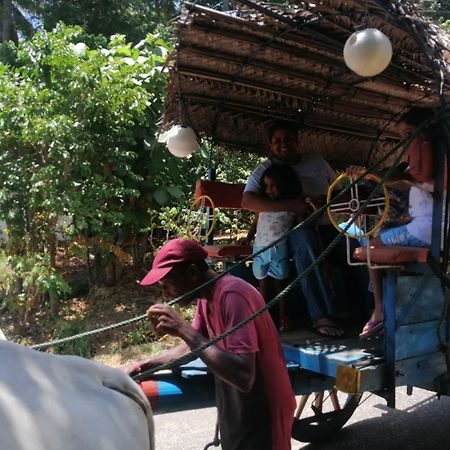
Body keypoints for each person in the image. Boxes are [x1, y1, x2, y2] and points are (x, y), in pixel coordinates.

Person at [123, 238, 296, 450]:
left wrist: (182, 328)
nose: (165, 293)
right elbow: (191, 347)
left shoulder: (233, 295)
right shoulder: (207, 297)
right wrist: (142, 365)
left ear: (193, 272)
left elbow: (244, 376)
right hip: (239, 407)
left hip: (264, 410)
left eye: (167, 283)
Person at [242, 120, 365, 337]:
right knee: (306, 242)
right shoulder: (265, 169)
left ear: (297, 142)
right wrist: (293, 205)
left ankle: (362, 311)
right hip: (288, 230)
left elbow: (339, 189)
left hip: (327, 224)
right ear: (271, 145)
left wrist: (323, 201)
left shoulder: (316, 161)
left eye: (288, 139)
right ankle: (321, 315)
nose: (283, 144)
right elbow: (248, 201)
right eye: (277, 141)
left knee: (353, 248)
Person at [346, 107, 443, 338]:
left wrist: (368, 174)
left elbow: (399, 179)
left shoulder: (426, 157)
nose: (404, 142)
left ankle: (379, 309)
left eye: (408, 135)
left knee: (370, 247)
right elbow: (409, 185)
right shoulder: (439, 156)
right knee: (387, 241)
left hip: (426, 231)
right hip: (431, 228)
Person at [241, 164, 304, 331]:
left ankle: (284, 317)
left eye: (273, 185)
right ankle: (263, 318)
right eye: (266, 186)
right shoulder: (263, 204)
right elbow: (255, 223)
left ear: (285, 185)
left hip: (279, 249)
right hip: (260, 248)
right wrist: (247, 238)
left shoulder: (292, 205)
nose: (269, 190)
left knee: (280, 284)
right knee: (263, 285)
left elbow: (302, 224)